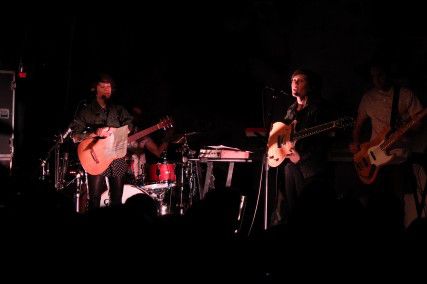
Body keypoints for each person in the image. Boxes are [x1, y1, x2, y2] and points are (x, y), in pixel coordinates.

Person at [349, 60, 424, 231]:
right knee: (374, 204)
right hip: (374, 157)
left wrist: (407, 131)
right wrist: (355, 143)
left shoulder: (405, 94)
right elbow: (358, 125)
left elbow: (418, 124)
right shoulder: (368, 97)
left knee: (396, 205)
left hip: (398, 158)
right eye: (373, 76)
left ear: (389, 74)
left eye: (380, 75)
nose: (377, 80)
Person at [271, 68, 333, 225]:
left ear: (310, 86)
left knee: (309, 211)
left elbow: (322, 143)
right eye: (293, 80)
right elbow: (282, 135)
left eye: (300, 80)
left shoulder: (319, 108)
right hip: (292, 166)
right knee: (292, 209)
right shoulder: (291, 110)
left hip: (311, 167)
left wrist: (301, 157)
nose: (295, 83)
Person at [71, 73, 133, 210]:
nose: (106, 89)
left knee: (117, 198)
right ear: (95, 88)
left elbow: (130, 123)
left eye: (109, 86)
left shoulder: (118, 109)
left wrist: (125, 130)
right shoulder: (86, 111)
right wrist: (95, 133)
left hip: (116, 155)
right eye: (102, 86)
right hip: (95, 155)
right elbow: (75, 135)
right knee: (94, 198)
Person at [127, 105, 171, 184]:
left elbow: (158, 152)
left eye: (137, 116)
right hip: (120, 174)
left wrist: (167, 137)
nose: (133, 118)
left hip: (139, 177)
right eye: (132, 115)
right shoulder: (118, 133)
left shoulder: (143, 136)